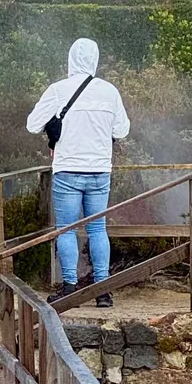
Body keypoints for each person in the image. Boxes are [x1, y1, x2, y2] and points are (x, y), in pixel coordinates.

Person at [26, 38, 130, 307]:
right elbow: (121, 131)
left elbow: (32, 124)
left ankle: (70, 286)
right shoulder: (110, 92)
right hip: (99, 171)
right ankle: (102, 290)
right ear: (95, 58)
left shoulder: (58, 90)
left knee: (67, 230)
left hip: (68, 171)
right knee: (97, 229)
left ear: (70, 58)